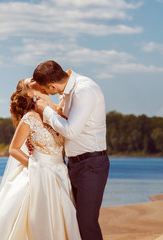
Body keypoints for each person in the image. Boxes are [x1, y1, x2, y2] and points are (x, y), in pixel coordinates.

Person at [0, 78, 81, 240]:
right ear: (30, 93)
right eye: (32, 80)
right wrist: (36, 167)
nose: (37, 80)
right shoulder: (30, 118)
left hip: (60, 173)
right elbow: (14, 149)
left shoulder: (60, 113)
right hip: (37, 174)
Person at [33, 60, 110, 240]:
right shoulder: (66, 91)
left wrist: (45, 110)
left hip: (92, 164)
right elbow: (64, 116)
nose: (46, 94)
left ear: (52, 85)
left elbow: (70, 130)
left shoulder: (84, 90)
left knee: (86, 221)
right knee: (73, 220)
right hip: (74, 164)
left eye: (46, 90)